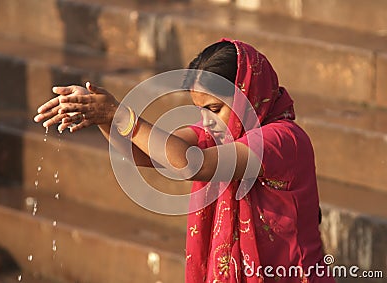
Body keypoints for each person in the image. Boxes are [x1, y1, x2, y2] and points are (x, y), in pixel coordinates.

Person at [34, 39, 335, 283]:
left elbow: (195, 164)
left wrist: (119, 115)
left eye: (215, 109)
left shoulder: (282, 139)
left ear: (247, 93)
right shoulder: (218, 135)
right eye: (201, 110)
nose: (207, 121)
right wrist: (102, 117)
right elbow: (146, 155)